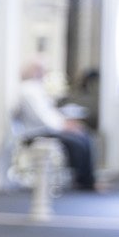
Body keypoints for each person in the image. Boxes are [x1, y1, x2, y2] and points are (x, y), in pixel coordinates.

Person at [14, 61, 97, 191]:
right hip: (38, 132)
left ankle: (87, 180)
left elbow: (50, 113)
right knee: (76, 142)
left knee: (84, 136)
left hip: (51, 128)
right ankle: (84, 181)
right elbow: (42, 118)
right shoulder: (28, 90)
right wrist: (64, 126)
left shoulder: (37, 88)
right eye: (41, 70)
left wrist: (66, 123)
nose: (44, 73)